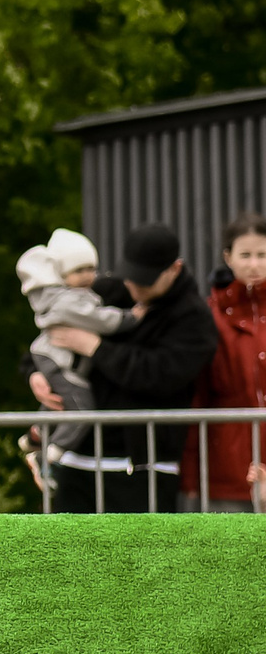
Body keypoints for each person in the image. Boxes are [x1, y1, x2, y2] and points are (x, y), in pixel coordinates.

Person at [30, 222, 219, 512]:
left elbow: (158, 376)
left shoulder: (195, 319)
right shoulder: (110, 289)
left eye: (145, 281)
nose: (134, 287)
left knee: (140, 557)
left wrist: (94, 347)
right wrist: (35, 373)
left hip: (143, 467)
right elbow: (51, 328)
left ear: (175, 269)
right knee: (66, 556)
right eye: (130, 277)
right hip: (78, 460)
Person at [17, 228, 138, 457]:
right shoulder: (69, 301)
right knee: (81, 405)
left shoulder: (85, 294)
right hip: (57, 361)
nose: (86, 276)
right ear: (61, 274)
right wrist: (132, 317)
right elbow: (102, 319)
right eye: (78, 270)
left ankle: (35, 437)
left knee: (61, 403)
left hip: (55, 360)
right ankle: (54, 452)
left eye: (91, 269)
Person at [181, 213, 266, 511]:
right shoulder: (208, 316)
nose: (254, 264)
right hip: (226, 468)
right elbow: (196, 398)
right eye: (245, 255)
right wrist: (189, 481)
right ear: (228, 257)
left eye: (262, 254)